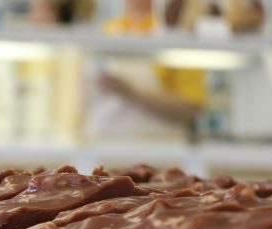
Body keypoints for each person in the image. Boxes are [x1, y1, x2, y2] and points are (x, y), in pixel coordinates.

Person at [83, 0, 207, 142]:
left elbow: (189, 109)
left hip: (160, 153)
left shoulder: (177, 33)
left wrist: (131, 93)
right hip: (102, 148)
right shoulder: (105, 31)